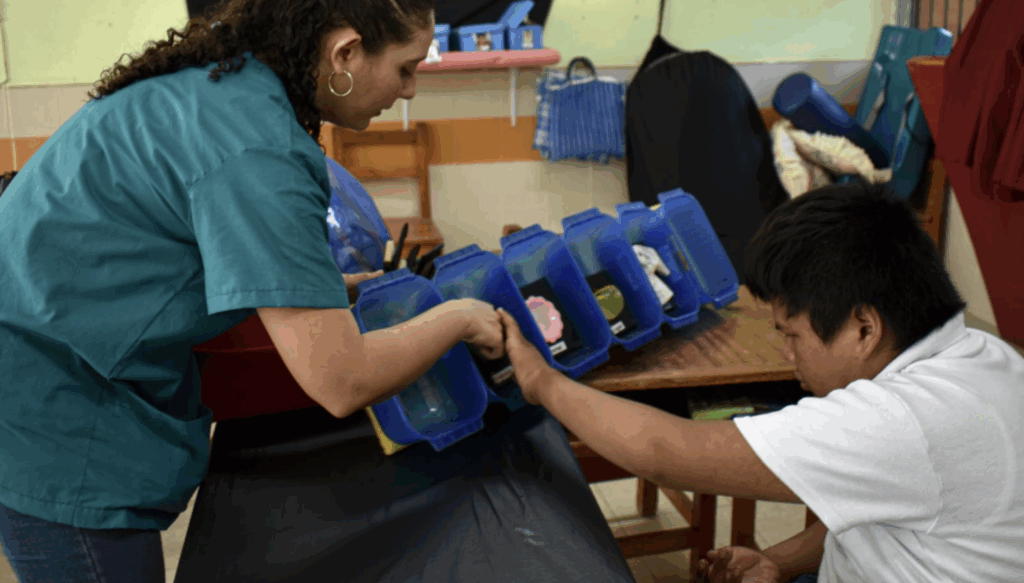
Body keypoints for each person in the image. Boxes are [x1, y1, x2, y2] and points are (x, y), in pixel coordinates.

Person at [0, 0, 506, 581]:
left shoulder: (227, 86)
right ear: (345, 52)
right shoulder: (260, 148)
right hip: (48, 407)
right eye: (405, 68)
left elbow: (172, 236)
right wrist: (460, 317)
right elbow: (342, 382)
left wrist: (310, 288)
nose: (411, 90)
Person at [498, 181, 1024, 582]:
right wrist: (780, 559)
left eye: (792, 336)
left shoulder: (902, 420)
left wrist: (540, 380)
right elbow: (887, 502)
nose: (788, 355)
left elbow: (666, 450)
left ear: (864, 327)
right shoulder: (985, 356)